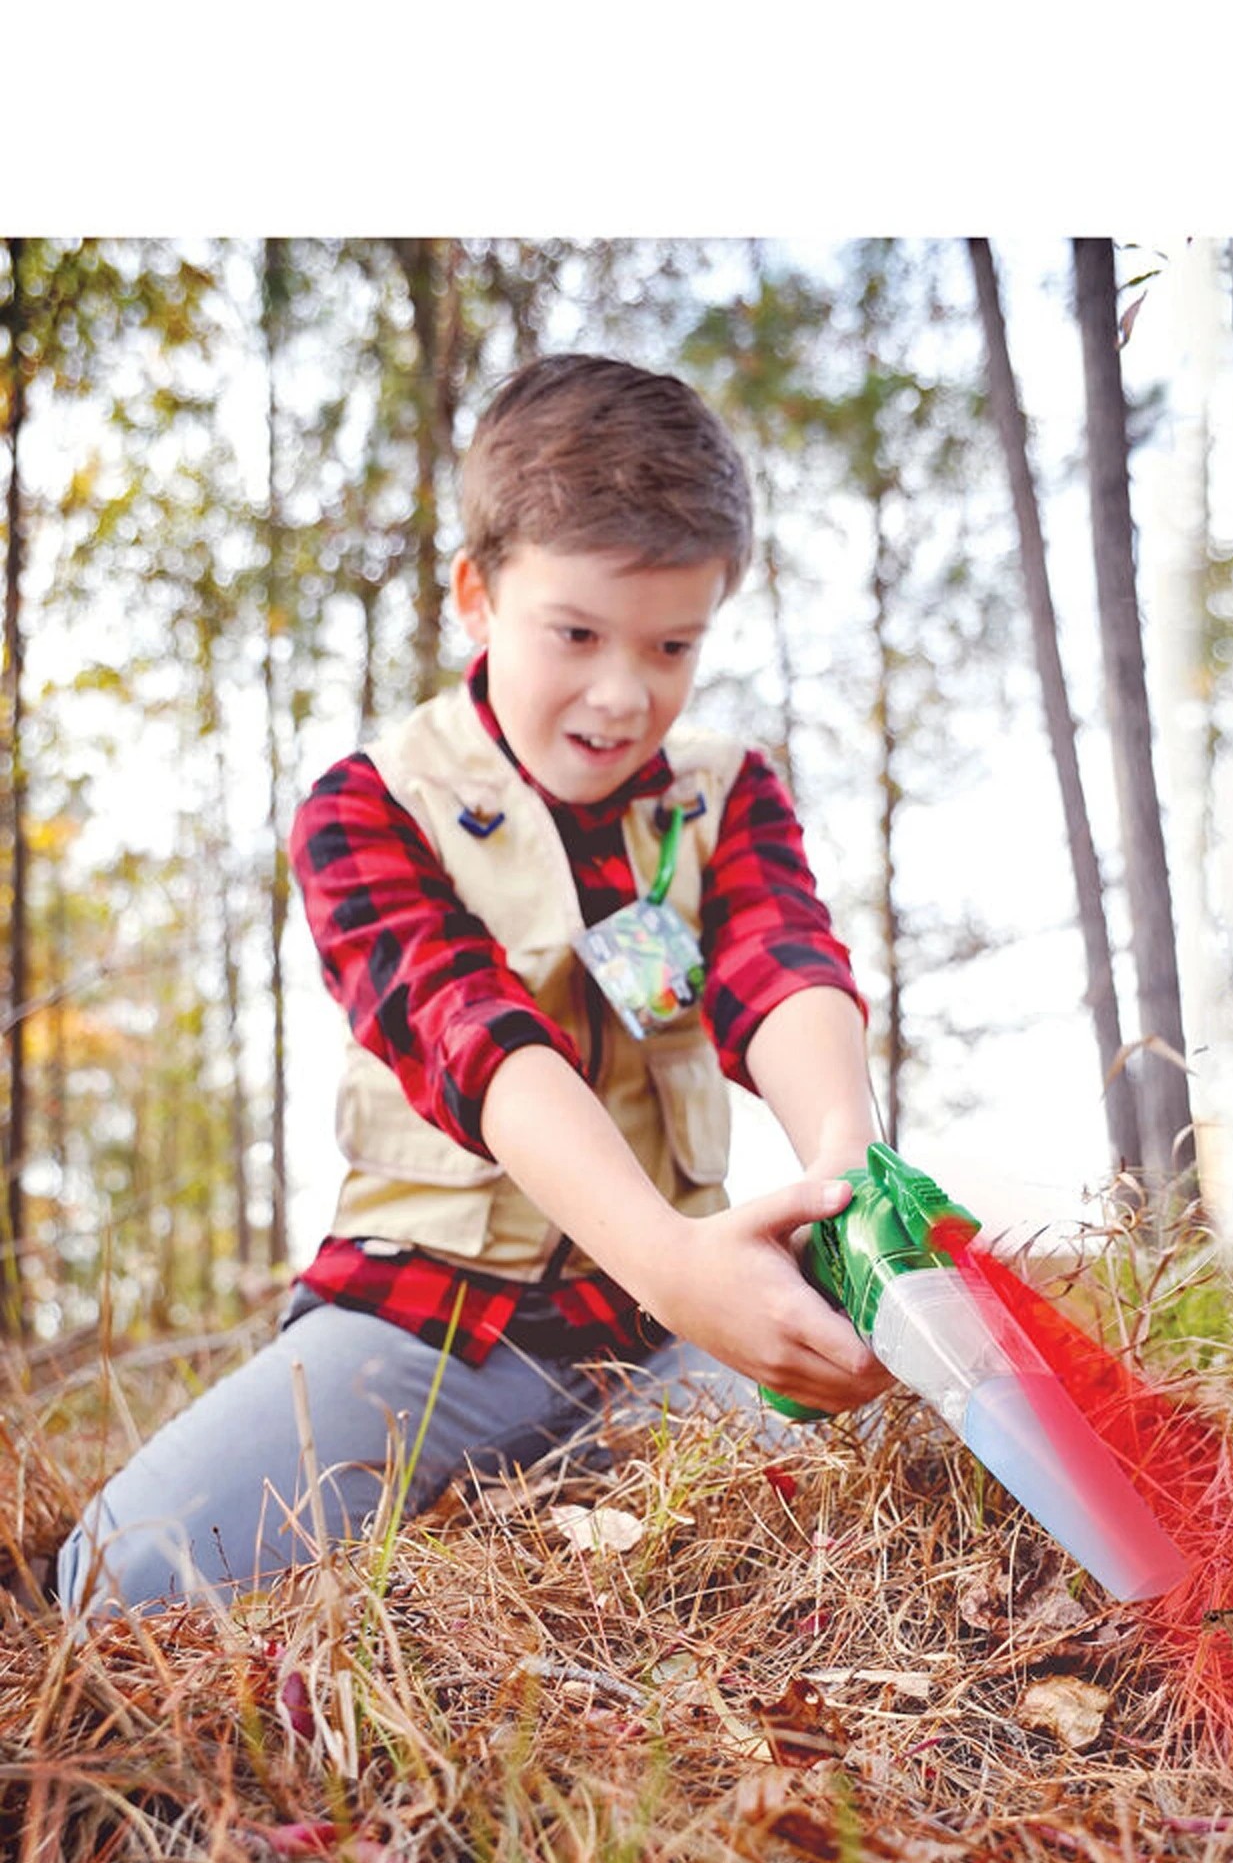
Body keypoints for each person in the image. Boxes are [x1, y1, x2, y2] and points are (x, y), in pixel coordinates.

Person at [58, 353, 887, 1620]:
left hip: (666, 1336)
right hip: (423, 1317)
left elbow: (781, 964)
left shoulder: (728, 791)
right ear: (476, 594)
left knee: (863, 1531)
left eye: (673, 644)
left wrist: (844, 1173)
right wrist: (671, 1259)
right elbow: (475, 1036)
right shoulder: (366, 805)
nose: (624, 693)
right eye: (576, 634)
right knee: (129, 1576)